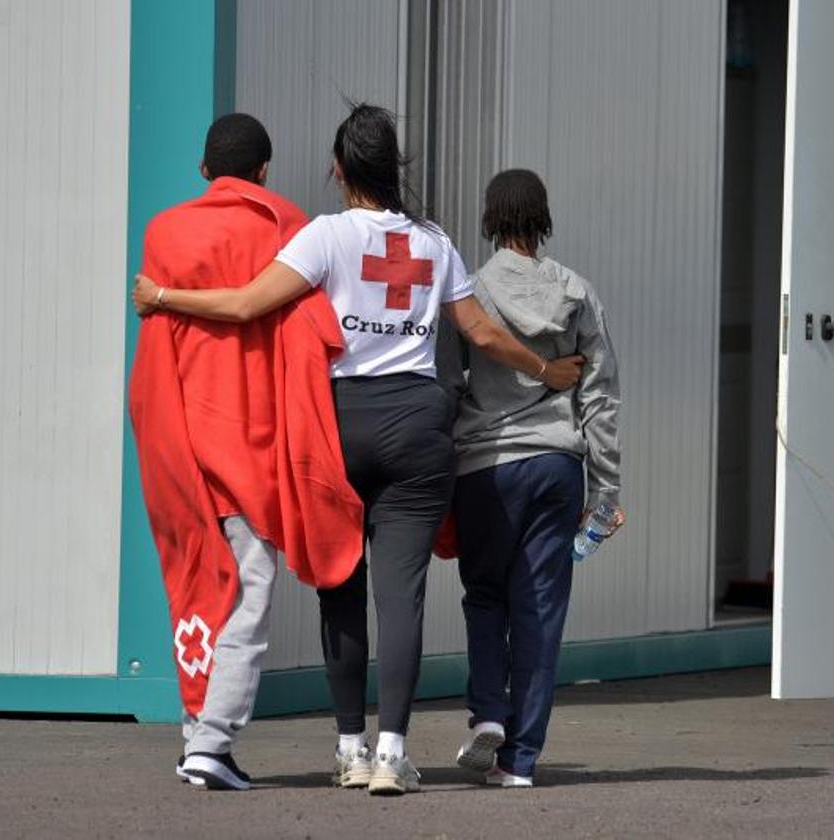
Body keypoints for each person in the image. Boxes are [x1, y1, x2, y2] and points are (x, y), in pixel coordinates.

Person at [132, 105, 583, 796]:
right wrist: (547, 371)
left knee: (339, 585)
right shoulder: (434, 242)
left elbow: (248, 304)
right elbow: (483, 336)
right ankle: (391, 754)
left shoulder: (324, 236)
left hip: (337, 427)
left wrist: (163, 295)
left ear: (339, 171)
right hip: (417, 426)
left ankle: (349, 746)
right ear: (392, 166)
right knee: (399, 596)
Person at [128, 114, 363, 791]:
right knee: (249, 587)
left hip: (179, 431)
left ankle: (194, 729)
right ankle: (211, 742)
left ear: (205, 170)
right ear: (263, 172)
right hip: (252, 437)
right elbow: (316, 331)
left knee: (198, 577)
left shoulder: (164, 231)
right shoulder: (288, 225)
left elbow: (155, 337)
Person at [442, 169, 623, 788]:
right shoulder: (576, 291)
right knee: (540, 609)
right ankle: (519, 761)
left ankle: (489, 712)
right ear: (543, 218)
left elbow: (448, 382)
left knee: (486, 595)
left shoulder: (468, 292)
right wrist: (606, 490)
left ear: (490, 219)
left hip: (486, 469)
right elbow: (600, 398)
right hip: (555, 466)